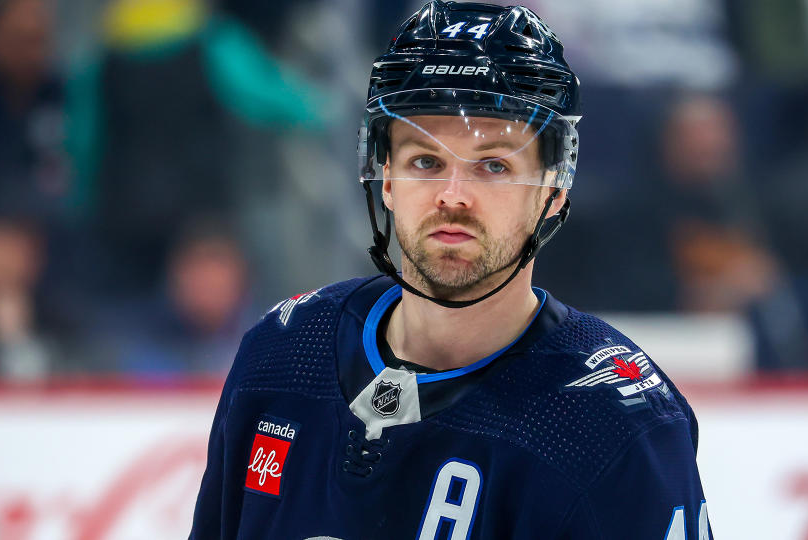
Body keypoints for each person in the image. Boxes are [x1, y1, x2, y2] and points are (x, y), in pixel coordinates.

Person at [190, 3, 712, 539]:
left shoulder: (612, 426)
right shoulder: (281, 356)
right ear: (386, 177)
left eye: (494, 165)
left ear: (554, 189)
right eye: (425, 161)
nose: (453, 196)